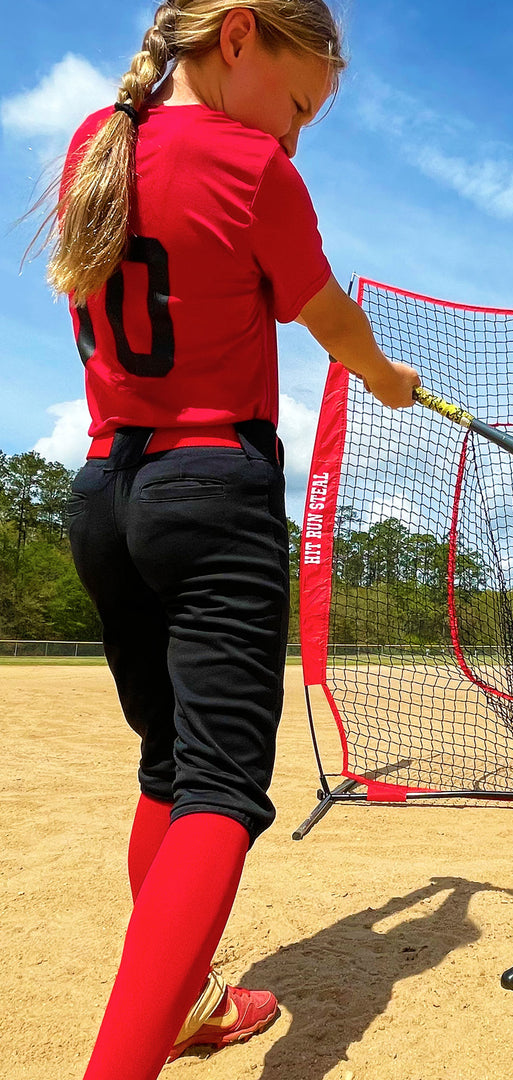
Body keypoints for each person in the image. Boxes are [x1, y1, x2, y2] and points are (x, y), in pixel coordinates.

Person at [45, 3, 419, 1077]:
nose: (294, 137)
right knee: (217, 789)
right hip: (210, 492)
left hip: (106, 499)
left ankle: (195, 1003)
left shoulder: (96, 140)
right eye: (300, 105)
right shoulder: (253, 169)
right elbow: (326, 314)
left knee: (167, 771)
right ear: (242, 35)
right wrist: (385, 379)